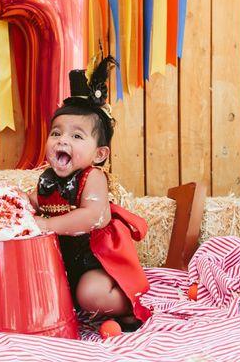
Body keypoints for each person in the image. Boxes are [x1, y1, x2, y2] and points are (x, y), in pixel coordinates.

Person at [24, 55, 151, 331]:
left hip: (97, 261)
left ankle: (127, 302)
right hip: (67, 264)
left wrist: (45, 225)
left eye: (77, 136)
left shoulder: (92, 177)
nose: (63, 140)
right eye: (56, 133)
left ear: (99, 154)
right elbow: (42, 202)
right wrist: (20, 202)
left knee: (89, 295)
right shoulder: (47, 179)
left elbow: (94, 215)